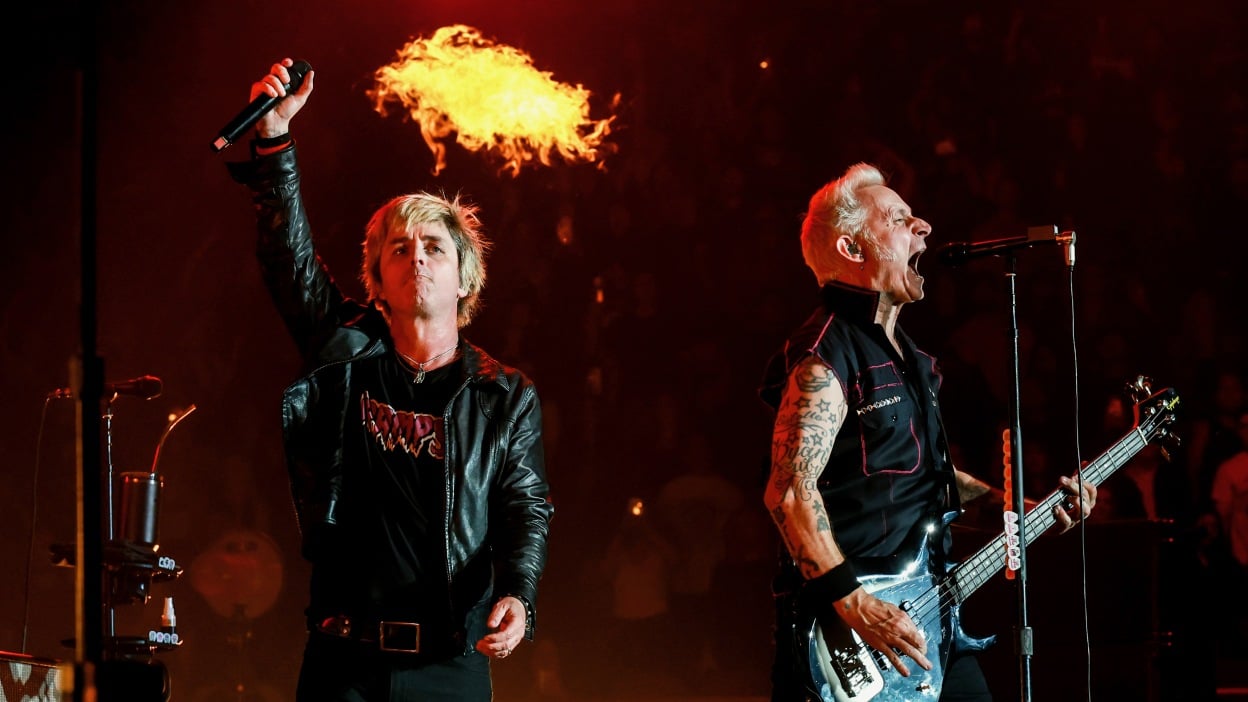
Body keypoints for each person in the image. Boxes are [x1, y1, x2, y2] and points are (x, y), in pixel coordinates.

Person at [225, 58, 554, 701]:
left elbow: (525, 506)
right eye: (398, 249)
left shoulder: (504, 395)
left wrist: (519, 593)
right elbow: (288, 260)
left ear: (465, 279)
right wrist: (273, 139)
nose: (417, 257)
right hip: (344, 661)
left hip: (450, 665)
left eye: (434, 246)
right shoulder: (347, 355)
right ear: (375, 282)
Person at [758, 162, 1096, 702]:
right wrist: (855, 603)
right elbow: (790, 490)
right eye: (897, 218)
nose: (924, 227)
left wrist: (1028, 511)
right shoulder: (825, 355)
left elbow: (929, 477)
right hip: (855, 635)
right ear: (851, 248)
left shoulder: (911, 358)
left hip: (932, 618)